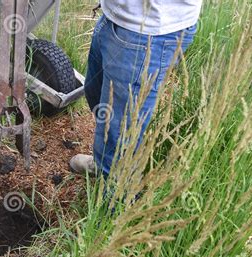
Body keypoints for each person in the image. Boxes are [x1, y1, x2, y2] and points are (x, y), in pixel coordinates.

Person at [70, 0, 203, 176]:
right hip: (116, 16)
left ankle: (115, 192)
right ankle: (104, 164)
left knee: (119, 132)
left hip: (147, 32)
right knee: (95, 91)